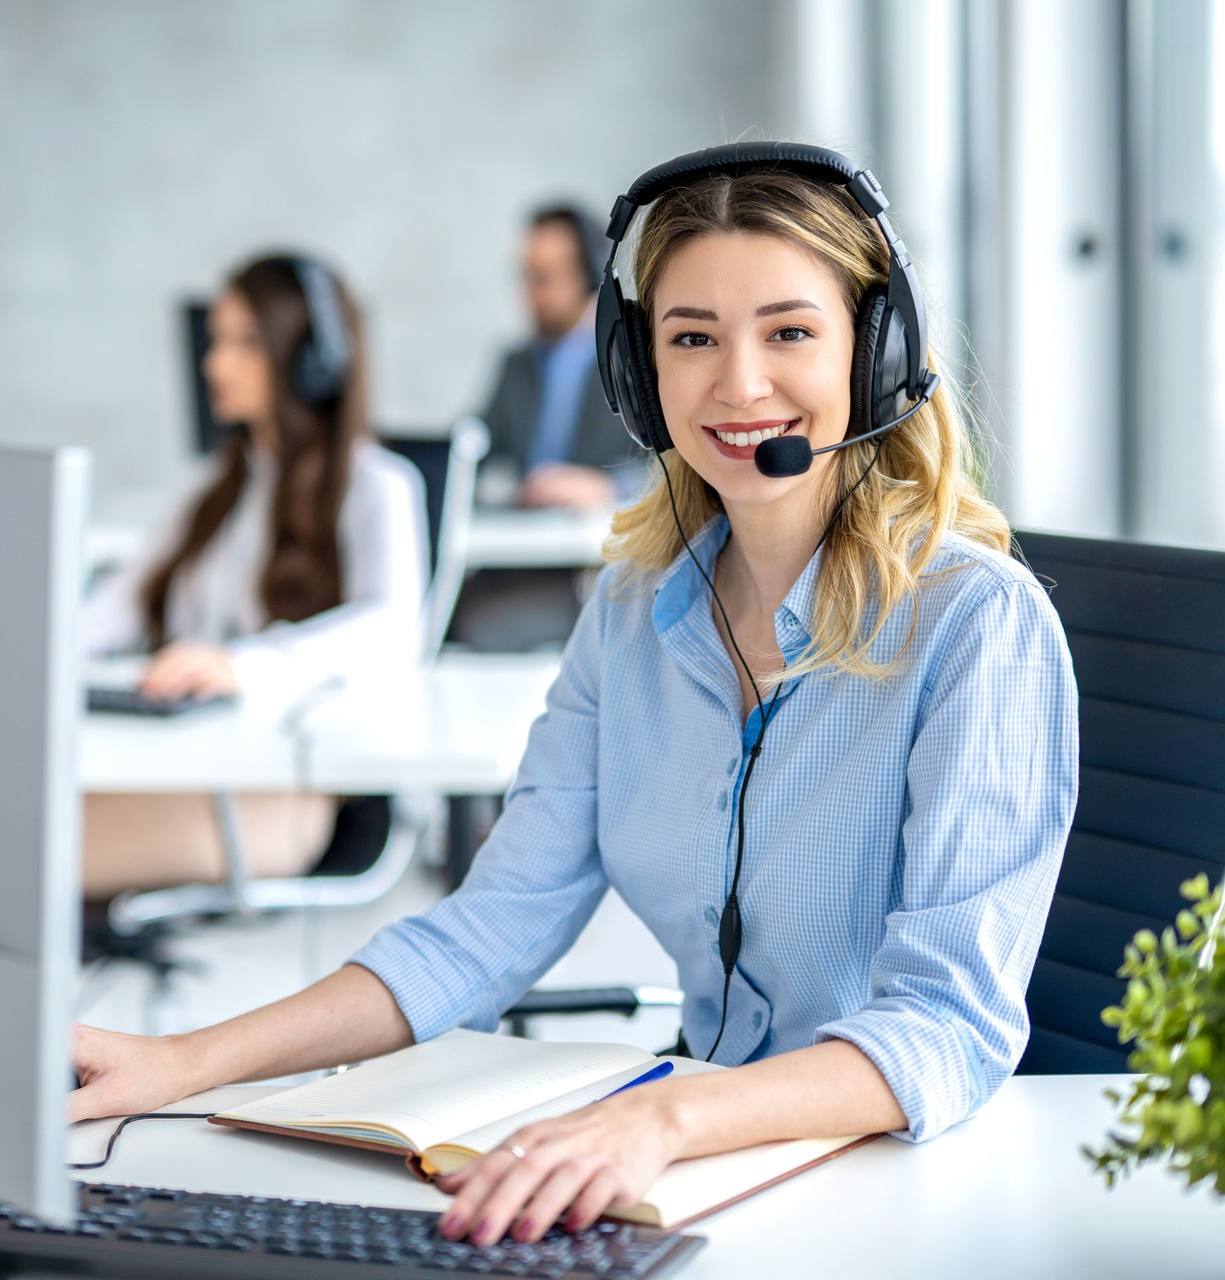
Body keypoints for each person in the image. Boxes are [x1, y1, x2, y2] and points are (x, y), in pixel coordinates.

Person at [69, 146, 1078, 1245]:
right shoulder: (632, 613)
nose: (737, 384)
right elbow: (487, 927)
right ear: (640, 374)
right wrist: (178, 1060)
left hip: (900, 1185)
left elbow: (948, 1025)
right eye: (691, 338)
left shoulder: (978, 623)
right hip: (700, 1171)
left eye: (790, 331)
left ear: (874, 355)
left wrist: (666, 1113)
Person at [78, 254, 427, 896]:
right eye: (215, 341)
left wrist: (245, 666)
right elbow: (114, 608)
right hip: (177, 767)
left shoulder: (378, 486)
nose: (214, 364)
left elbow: (391, 629)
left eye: (244, 343)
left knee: (31, 849)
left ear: (309, 361)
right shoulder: (212, 488)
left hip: (282, 790)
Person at [479, 205, 639, 510]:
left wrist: (609, 487)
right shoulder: (516, 365)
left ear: (587, 278)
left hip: (601, 542)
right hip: (520, 542)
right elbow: (474, 448)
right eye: (525, 276)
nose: (528, 294)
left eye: (543, 279)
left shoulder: (632, 360)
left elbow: (675, 466)